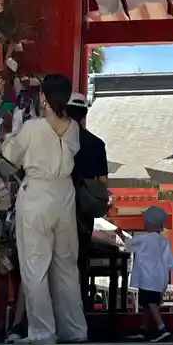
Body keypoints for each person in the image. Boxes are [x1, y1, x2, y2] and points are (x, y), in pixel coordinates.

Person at [1, 73, 89, 345]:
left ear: (44, 98)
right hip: (64, 194)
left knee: (35, 266)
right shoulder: (73, 127)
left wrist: (14, 130)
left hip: (38, 193)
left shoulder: (32, 127)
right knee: (66, 266)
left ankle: (42, 332)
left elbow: (10, 154)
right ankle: (74, 329)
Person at [64, 91, 109, 310]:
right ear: (84, 115)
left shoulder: (60, 141)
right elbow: (103, 183)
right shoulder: (97, 144)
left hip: (59, 202)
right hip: (85, 208)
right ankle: (79, 307)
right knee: (80, 258)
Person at [126, 205, 173, 342]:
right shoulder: (163, 241)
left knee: (150, 303)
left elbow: (128, 245)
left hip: (147, 277)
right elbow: (171, 258)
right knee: (150, 304)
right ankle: (143, 329)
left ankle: (162, 328)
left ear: (149, 223)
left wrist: (120, 234)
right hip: (159, 277)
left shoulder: (144, 238)